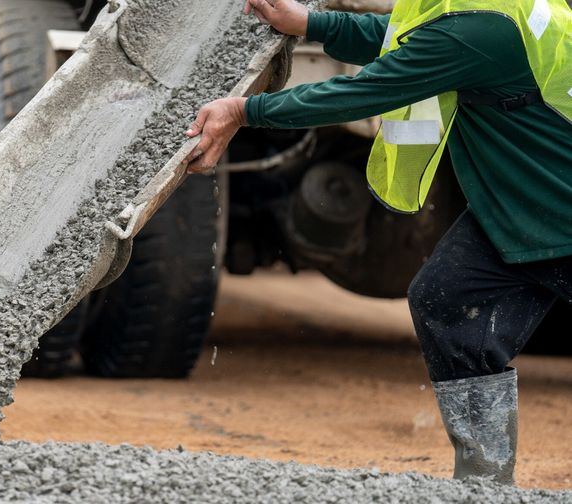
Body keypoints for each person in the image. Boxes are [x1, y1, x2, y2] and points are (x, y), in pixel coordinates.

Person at [185, 0, 572, 485]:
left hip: (557, 207)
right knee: (447, 299)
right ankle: (484, 484)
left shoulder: (476, 32)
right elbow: (404, 33)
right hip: (526, 207)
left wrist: (245, 111)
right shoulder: (490, 10)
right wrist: (309, 23)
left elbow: (369, 90)